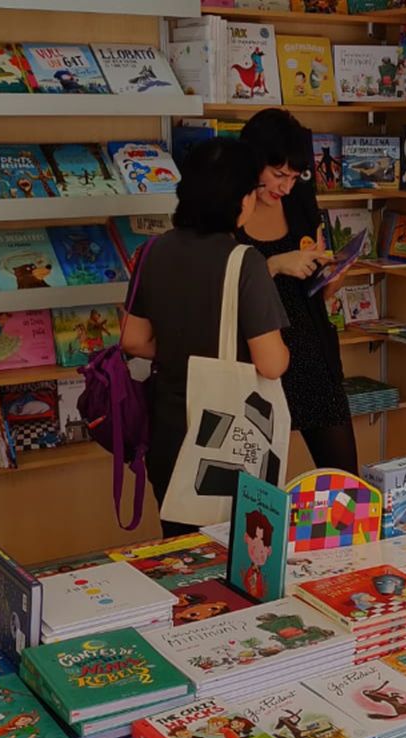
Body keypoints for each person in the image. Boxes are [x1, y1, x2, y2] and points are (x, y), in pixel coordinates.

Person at [121, 138, 290, 537]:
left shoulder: (153, 250)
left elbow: (133, 339)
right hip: (227, 436)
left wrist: (182, 350)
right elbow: (271, 363)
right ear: (242, 200)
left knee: (181, 551)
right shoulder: (244, 262)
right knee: (238, 550)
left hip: (168, 431)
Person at [237, 109, 358, 473]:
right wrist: (274, 265)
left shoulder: (299, 200)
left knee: (343, 479)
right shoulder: (228, 207)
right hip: (254, 360)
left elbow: (318, 291)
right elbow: (222, 288)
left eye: (293, 177)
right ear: (253, 162)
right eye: (278, 175)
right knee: (256, 486)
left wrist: (331, 274)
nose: (286, 187)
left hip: (312, 352)